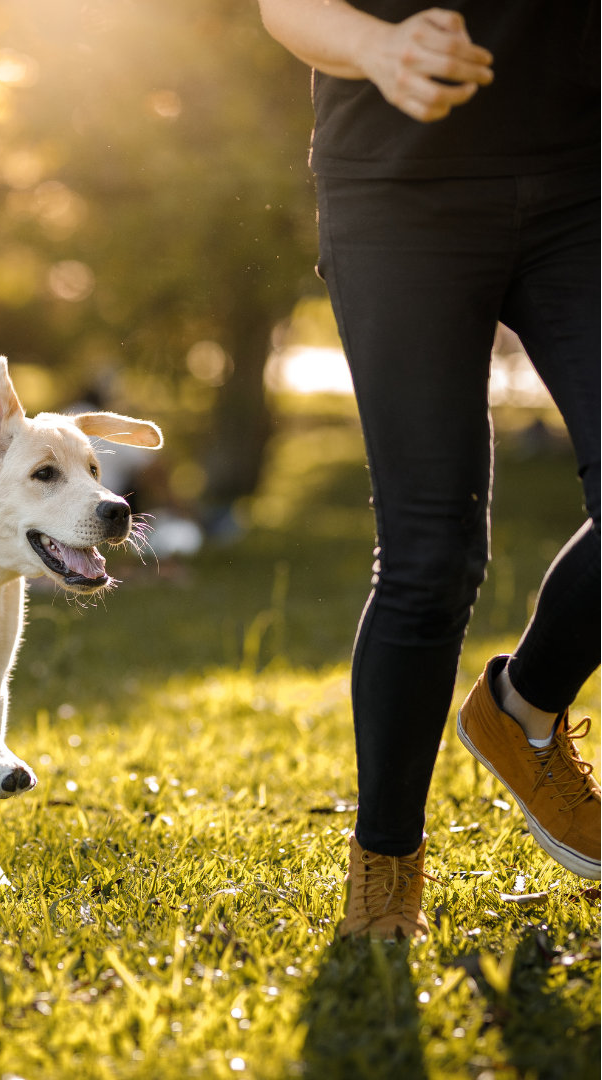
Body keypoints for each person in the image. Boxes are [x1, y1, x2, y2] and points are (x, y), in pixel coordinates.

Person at [258, 1, 600, 939]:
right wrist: (378, 45)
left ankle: (519, 710)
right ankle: (385, 865)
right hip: (399, 191)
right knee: (431, 554)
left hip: (580, 175)